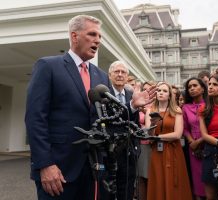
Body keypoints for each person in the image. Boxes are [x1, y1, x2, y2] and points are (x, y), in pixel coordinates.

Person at [25, 15, 156, 200]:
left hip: (94, 170)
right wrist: (45, 164)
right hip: (58, 170)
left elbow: (107, 121)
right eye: (92, 34)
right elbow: (35, 119)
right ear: (74, 36)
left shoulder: (101, 76)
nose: (98, 40)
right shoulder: (48, 66)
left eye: (100, 37)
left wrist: (133, 106)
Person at [145, 82, 193, 200]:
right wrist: (152, 123)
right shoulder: (150, 110)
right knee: (158, 180)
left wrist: (158, 137)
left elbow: (177, 134)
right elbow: (148, 135)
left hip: (173, 151)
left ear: (170, 95)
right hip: (157, 151)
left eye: (165, 91)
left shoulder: (176, 110)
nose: (161, 93)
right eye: (159, 90)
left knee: (174, 182)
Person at [107, 60, 140, 200]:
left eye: (123, 72)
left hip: (129, 152)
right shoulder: (104, 93)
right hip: (109, 152)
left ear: (127, 76)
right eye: (116, 72)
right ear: (109, 75)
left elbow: (136, 123)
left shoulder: (131, 94)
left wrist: (136, 148)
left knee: (126, 189)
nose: (120, 75)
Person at [182, 77, 207, 200]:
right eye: (189, 87)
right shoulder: (185, 107)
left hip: (209, 144)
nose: (192, 89)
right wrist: (192, 141)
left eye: (195, 86)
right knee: (197, 179)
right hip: (193, 147)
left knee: (209, 179)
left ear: (203, 89)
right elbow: (185, 128)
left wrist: (201, 141)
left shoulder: (210, 105)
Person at [136, 81, 156, 200]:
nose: (148, 91)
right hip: (141, 145)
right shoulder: (138, 105)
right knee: (141, 177)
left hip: (154, 144)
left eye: (151, 89)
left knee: (152, 176)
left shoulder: (156, 106)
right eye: (146, 89)